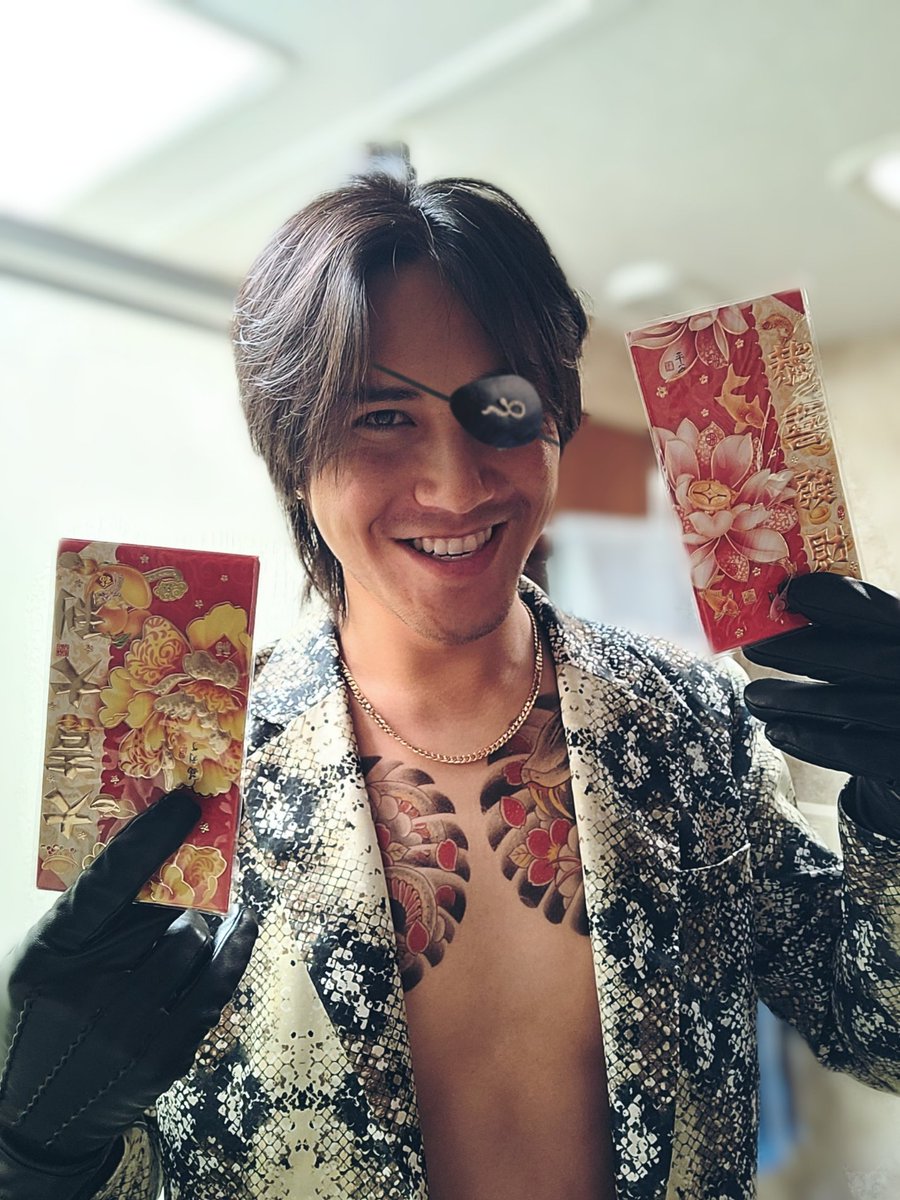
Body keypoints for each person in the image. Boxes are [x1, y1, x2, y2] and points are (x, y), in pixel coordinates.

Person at [1, 171, 899, 1200]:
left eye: (501, 407)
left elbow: (877, 1029)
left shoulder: (686, 722)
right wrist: (39, 1155)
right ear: (293, 456)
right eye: (383, 416)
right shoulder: (183, 769)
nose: (457, 484)